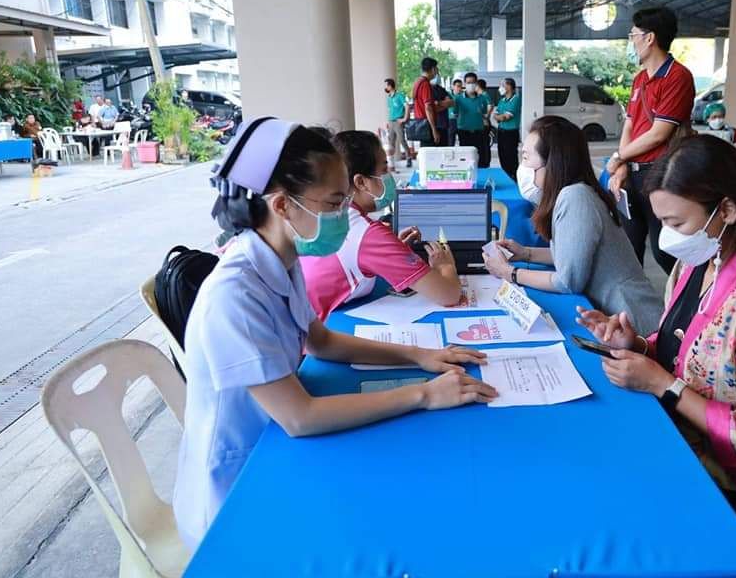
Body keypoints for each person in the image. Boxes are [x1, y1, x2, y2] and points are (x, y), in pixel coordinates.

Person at [174, 119, 497, 549]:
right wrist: (424, 394)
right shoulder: (233, 296)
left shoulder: (281, 258)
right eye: (333, 203)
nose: (345, 214)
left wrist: (418, 358)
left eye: (346, 200)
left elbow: (319, 340)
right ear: (283, 206)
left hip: (276, 448)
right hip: (237, 492)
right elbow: (300, 417)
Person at [577, 135, 736, 532]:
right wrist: (638, 346)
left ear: (726, 209)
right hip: (684, 439)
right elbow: (686, 350)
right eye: (662, 222)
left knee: (606, 499)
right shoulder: (699, 262)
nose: (668, 236)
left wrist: (662, 385)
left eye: (677, 223)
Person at [483, 116, 661, 333]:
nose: (523, 167)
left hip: (632, 320)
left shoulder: (575, 196)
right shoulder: (571, 193)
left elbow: (568, 281)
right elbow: (573, 256)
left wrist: (509, 272)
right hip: (612, 316)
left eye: (527, 158)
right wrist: (526, 253)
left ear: (553, 163)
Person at [300, 130, 464, 319]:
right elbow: (449, 295)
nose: (390, 176)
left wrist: (393, 249)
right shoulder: (367, 234)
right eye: (384, 170)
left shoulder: (327, 213)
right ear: (361, 182)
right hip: (313, 331)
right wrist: (445, 266)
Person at [606, 6, 696, 275]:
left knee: (664, 250)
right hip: (633, 176)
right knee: (630, 248)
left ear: (650, 38)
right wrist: (622, 164)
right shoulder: (639, 80)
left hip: (661, 174)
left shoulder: (678, 77)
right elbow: (631, 125)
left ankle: (690, 298)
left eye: (633, 35)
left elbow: (659, 133)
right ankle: (631, 311)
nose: (631, 42)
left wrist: (619, 157)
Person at [455, 72, 492, 167]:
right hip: (464, 132)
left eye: (473, 82)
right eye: (468, 82)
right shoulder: (458, 99)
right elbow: (455, 114)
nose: (470, 85)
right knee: (465, 158)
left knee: (479, 158)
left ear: (476, 83)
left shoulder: (482, 98)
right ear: (464, 84)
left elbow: (484, 114)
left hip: (479, 132)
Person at [412, 57, 449, 147]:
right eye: (436, 69)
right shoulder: (425, 84)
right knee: (432, 155)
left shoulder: (417, 82)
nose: (437, 72)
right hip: (427, 125)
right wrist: (434, 130)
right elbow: (428, 108)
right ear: (433, 69)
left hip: (420, 123)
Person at [493, 77, 521, 179]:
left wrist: (500, 117)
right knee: (502, 156)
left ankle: (514, 178)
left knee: (511, 157)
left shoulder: (516, 99)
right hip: (501, 131)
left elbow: (506, 117)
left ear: (509, 86)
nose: (500, 88)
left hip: (511, 133)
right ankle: (506, 176)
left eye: (502, 85)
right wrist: (499, 117)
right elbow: (495, 116)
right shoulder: (502, 100)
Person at [384, 78, 411, 165]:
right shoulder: (388, 98)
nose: (386, 87)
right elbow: (389, 110)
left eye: (387, 85)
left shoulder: (399, 96)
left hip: (398, 122)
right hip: (391, 121)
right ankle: (391, 162)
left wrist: (405, 118)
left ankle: (409, 158)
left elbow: (407, 106)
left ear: (390, 86)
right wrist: (388, 121)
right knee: (391, 142)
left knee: (402, 140)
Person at [448, 78, 463, 146]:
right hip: (451, 121)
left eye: (460, 86)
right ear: (453, 86)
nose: (459, 88)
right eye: (457, 86)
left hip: (461, 121)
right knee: (451, 141)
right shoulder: (448, 95)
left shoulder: (464, 96)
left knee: (463, 141)